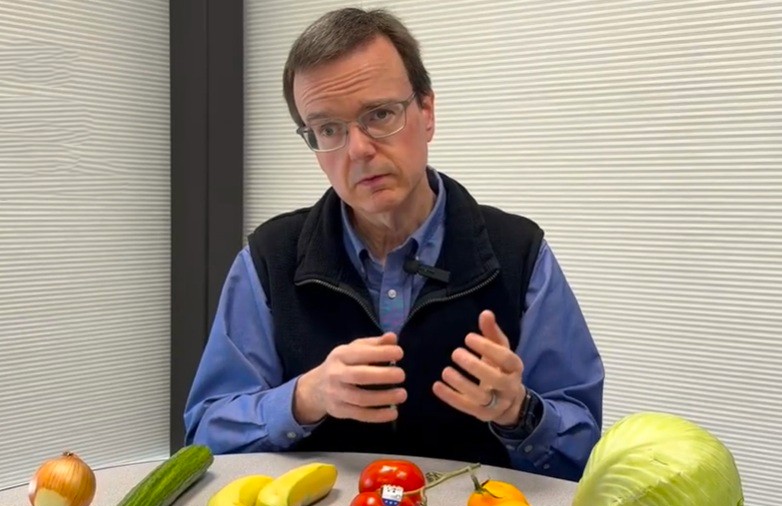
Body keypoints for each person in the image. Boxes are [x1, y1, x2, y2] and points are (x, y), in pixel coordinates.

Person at [184, 7, 604, 481]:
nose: (358, 149)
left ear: (426, 112)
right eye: (328, 129)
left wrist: (520, 411)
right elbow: (204, 435)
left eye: (380, 115)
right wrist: (304, 397)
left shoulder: (520, 253)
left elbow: (586, 447)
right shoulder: (269, 257)